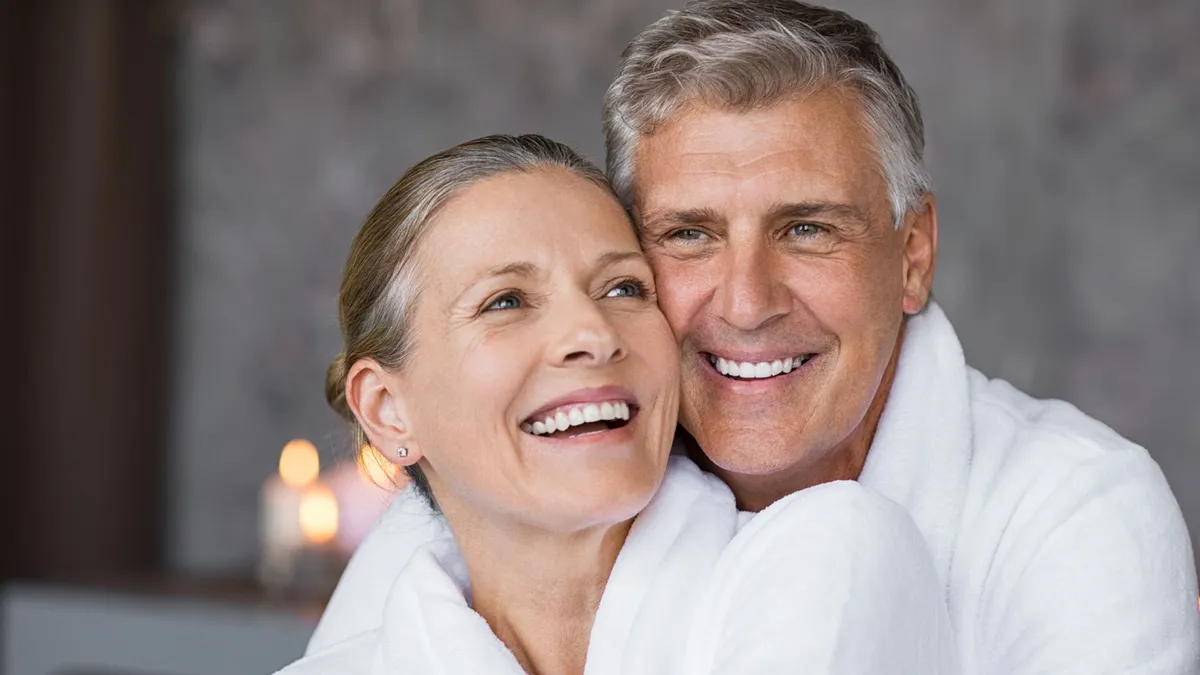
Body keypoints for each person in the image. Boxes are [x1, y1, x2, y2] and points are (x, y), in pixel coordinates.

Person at [309, 1, 1200, 672]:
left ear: (912, 255)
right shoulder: (496, 514)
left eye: (808, 228)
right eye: (688, 234)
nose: (745, 301)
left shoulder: (1076, 514)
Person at [277, 134, 957, 674]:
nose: (593, 335)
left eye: (624, 289)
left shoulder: (833, 560)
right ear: (389, 410)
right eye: (506, 302)